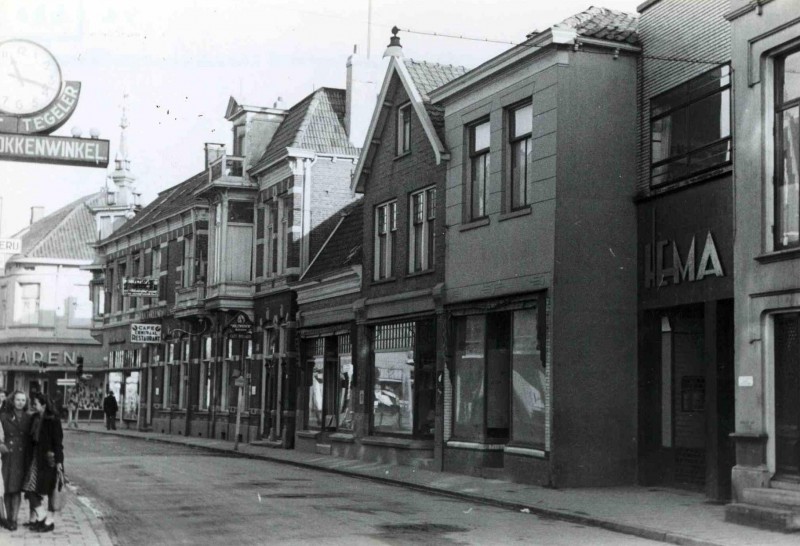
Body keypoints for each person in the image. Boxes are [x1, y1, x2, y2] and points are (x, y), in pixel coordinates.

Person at [22, 392, 64, 533]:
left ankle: (49, 520)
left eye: (36, 404)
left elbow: (58, 443)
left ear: (44, 405)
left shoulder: (53, 420)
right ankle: (41, 515)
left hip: (49, 460)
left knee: (52, 491)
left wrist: (59, 462)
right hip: (35, 459)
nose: (33, 406)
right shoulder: (35, 417)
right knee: (29, 488)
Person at [0, 391, 32, 531]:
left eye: (23, 400)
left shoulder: (29, 417)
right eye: (18, 399)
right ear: (12, 400)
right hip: (7, 455)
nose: (20, 402)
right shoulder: (3, 416)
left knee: (17, 490)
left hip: (21, 456)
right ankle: (7, 519)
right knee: (7, 489)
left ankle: (14, 519)